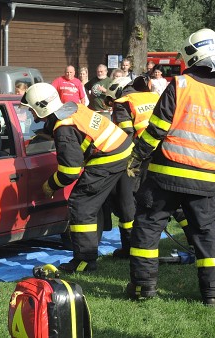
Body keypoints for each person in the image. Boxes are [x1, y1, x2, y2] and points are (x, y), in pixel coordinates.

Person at [126, 28, 215, 306]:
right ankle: (213, 294)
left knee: (147, 227)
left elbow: (156, 129)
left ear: (191, 55)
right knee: (206, 235)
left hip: (164, 177)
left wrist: (136, 158)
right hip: (204, 181)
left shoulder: (179, 85)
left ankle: (143, 288)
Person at [21, 82, 133, 273]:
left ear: (41, 108)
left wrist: (50, 185)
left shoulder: (63, 129)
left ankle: (85, 260)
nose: (30, 114)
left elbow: (70, 172)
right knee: (123, 204)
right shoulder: (73, 107)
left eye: (31, 110)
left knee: (82, 205)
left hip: (107, 158)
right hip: (124, 149)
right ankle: (132, 248)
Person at [104, 75, 158, 258]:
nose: (112, 105)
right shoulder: (153, 96)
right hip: (166, 152)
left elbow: (125, 134)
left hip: (141, 155)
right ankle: (193, 242)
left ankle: (129, 247)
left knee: (127, 199)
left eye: (111, 102)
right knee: (172, 199)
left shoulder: (123, 102)